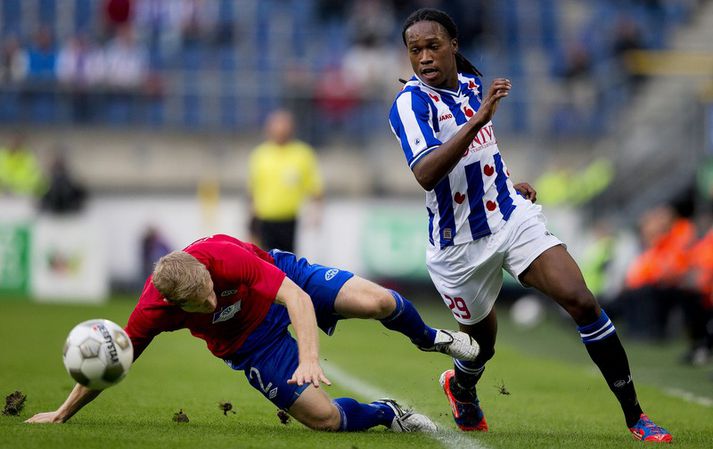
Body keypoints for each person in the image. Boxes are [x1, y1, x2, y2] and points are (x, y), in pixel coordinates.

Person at [388, 8, 672, 443]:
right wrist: (477, 119)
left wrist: (504, 180)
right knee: (481, 348)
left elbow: (483, 150)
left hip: (509, 216)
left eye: (433, 46)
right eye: (414, 50)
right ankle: (460, 387)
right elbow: (426, 172)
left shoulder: (468, 84)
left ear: (453, 46)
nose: (424, 57)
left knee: (581, 301)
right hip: (457, 246)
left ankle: (636, 417)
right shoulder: (410, 104)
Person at [26, 233, 480, 432]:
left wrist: (309, 358)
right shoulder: (152, 311)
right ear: (171, 305)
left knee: (379, 300)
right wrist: (63, 413)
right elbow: (114, 360)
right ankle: (388, 414)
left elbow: (297, 300)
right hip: (248, 342)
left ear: (205, 270)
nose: (208, 303)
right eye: (197, 305)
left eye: (209, 292)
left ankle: (425, 337)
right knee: (324, 420)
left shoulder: (222, 255)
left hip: (283, 280)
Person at [247, 109, 323, 252]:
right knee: (265, 261)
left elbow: (314, 187)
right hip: (264, 219)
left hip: (289, 220)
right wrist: (251, 222)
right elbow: (253, 189)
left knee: (287, 263)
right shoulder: (260, 154)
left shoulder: (302, 154)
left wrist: (317, 212)